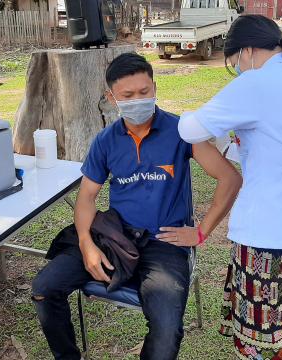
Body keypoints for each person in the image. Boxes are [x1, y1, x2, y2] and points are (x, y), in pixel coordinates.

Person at [31, 53, 242, 360]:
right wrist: (86, 243)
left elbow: (229, 178)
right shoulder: (105, 141)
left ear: (155, 87)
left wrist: (200, 233)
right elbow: (87, 197)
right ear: (111, 97)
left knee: (167, 327)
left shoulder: (181, 131)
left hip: (164, 243)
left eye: (144, 92)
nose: (137, 100)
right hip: (115, 236)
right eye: (127, 96)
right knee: (44, 288)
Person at [168, 15, 282, 360]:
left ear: (245, 50)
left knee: (261, 336)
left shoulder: (258, 83)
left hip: (270, 230)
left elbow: (191, 129)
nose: (238, 71)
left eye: (233, 64)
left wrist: (187, 113)